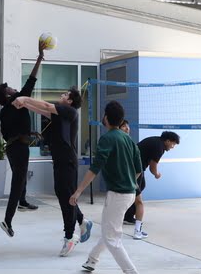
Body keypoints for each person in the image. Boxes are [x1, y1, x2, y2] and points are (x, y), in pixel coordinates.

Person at [12, 86, 92, 256]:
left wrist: (25, 98)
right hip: (60, 160)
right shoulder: (60, 114)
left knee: (67, 197)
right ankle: (82, 220)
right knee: (62, 193)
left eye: (65, 94)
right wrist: (25, 105)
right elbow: (43, 109)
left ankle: (69, 237)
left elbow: (47, 106)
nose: (61, 95)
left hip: (68, 161)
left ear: (69, 101)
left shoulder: (70, 112)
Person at [69, 100, 142, 274]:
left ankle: (131, 271)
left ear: (106, 118)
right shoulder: (128, 140)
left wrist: (78, 191)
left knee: (112, 237)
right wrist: (127, 180)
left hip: (118, 195)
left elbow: (95, 169)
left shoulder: (107, 139)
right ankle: (92, 260)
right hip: (130, 192)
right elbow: (138, 171)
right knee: (108, 230)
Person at [0, 41, 44, 238]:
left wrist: (30, 134)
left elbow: (9, 132)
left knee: (20, 176)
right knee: (17, 182)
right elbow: (31, 80)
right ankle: (8, 220)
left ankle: (22, 201)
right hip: (18, 148)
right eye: (10, 89)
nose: (14, 88)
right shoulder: (18, 102)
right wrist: (40, 57)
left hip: (13, 147)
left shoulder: (6, 112)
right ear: (8, 96)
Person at [123, 131, 180, 239]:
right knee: (139, 202)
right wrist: (157, 174)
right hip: (133, 171)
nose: (173, 147)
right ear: (167, 141)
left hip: (134, 169)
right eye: (173, 144)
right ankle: (136, 229)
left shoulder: (155, 141)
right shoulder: (159, 147)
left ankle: (128, 215)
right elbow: (152, 168)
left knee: (141, 186)